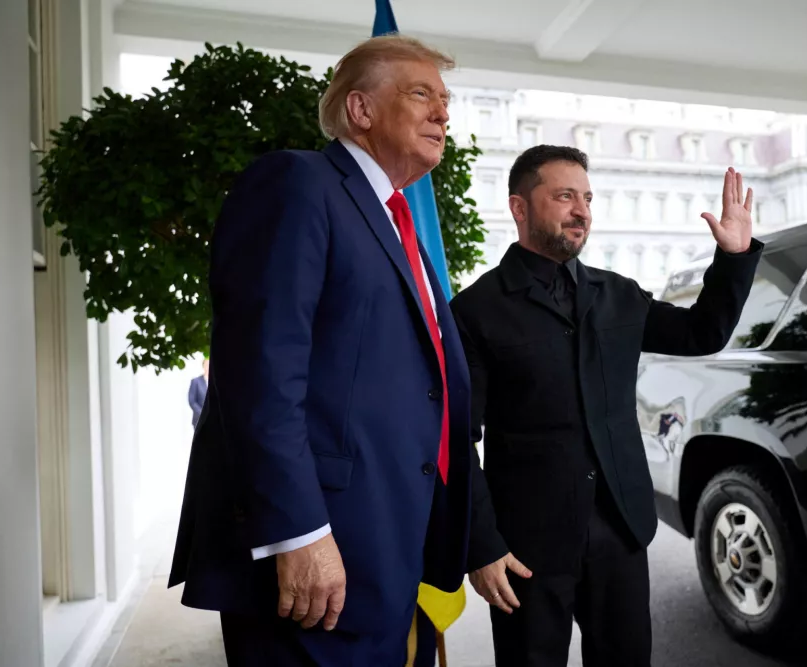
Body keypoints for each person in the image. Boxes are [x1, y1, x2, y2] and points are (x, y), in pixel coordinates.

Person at [168, 35, 472, 667]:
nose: (444, 113)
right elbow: (260, 372)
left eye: (445, 99)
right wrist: (297, 531)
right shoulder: (297, 183)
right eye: (422, 94)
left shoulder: (397, 220)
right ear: (360, 110)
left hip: (386, 544)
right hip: (313, 553)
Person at [449, 145, 763, 666]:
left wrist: (732, 258)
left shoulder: (618, 294)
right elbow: (458, 439)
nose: (582, 211)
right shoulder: (475, 310)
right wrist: (481, 546)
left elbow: (702, 332)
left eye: (588, 198)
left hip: (620, 529)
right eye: (565, 196)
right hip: (526, 546)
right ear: (519, 207)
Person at [187, 357, 209, 429]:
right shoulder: (196, 381)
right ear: (203, 366)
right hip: (199, 420)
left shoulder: (217, 383)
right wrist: (203, 414)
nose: (208, 367)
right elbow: (192, 401)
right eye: (206, 365)